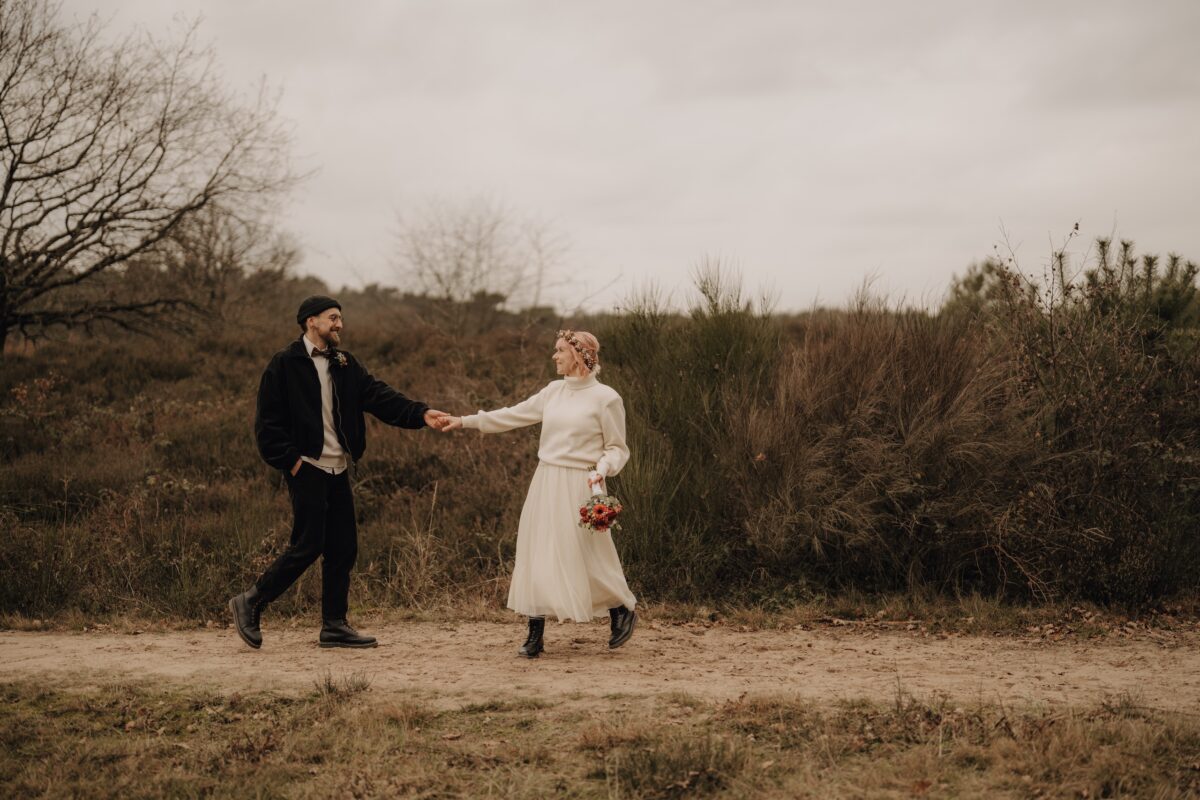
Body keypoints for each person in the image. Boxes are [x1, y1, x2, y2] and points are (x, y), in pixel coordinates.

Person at [229, 295, 447, 649]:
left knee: (343, 547)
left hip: (337, 468)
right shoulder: (284, 364)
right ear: (310, 321)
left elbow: (378, 395)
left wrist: (420, 414)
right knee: (308, 544)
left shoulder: (344, 363)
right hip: (308, 468)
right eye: (333, 318)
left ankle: (334, 625)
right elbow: (266, 425)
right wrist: (292, 461)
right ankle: (251, 600)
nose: (340, 324)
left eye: (340, 318)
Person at [440, 330, 636, 657]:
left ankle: (621, 610)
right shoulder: (553, 392)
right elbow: (512, 415)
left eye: (559, 350)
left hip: (581, 483)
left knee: (589, 553)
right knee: (539, 551)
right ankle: (535, 633)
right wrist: (464, 422)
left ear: (579, 354)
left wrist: (602, 469)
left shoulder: (606, 398)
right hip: (545, 480)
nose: (554, 356)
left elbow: (617, 448)